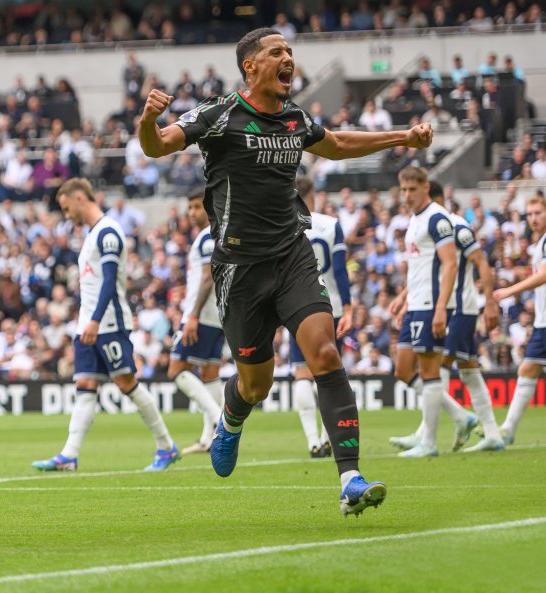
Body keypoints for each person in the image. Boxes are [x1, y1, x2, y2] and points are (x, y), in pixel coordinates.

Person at [137, 28, 432, 516]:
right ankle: (231, 419)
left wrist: (403, 137)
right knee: (256, 384)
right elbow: (157, 146)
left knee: (325, 354)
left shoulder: (295, 118)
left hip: (293, 256)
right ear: (250, 66)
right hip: (239, 270)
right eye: (277, 52)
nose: (288, 58)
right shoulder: (219, 115)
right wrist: (148, 119)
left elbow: (334, 144)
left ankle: (350, 479)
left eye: (290, 52)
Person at [32, 178, 179, 472]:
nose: (66, 215)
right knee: (85, 384)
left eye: (66, 208)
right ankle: (69, 455)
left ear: (79, 199)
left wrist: (96, 321)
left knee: (126, 383)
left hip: (107, 323)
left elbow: (111, 281)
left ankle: (166, 447)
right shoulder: (92, 234)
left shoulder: (108, 231)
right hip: (87, 324)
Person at [389, 181, 504, 454]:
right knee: (469, 371)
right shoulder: (425, 224)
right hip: (449, 306)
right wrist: (406, 297)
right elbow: (431, 268)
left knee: (436, 367)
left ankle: (428, 435)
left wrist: (489, 303)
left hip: (459, 308)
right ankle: (491, 433)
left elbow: (480, 262)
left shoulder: (455, 225)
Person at [386, 168, 459, 458]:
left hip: (432, 305)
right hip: (415, 304)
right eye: (403, 190)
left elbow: (450, 264)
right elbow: (419, 267)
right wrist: (404, 300)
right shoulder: (414, 220)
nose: (406, 195)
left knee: (429, 372)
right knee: (403, 369)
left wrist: (441, 307)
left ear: (426, 187)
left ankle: (428, 442)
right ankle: (459, 415)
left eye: (412, 189)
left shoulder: (437, 218)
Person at [290, 176, 352, 458]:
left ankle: (313, 441)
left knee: (302, 372)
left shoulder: (285, 223)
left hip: (297, 305)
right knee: (330, 373)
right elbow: (340, 270)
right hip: (332, 306)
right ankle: (329, 438)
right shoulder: (330, 224)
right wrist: (349, 308)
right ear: (312, 195)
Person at [168, 189, 226, 455]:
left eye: (196, 207)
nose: (191, 213)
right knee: (210, 375)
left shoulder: (206, 238)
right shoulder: (220, 235)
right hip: (219, 315)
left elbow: (207, 278)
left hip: (200, 315)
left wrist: (192, 315)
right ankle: (207, 439)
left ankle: (217, 419)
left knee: (177, 370)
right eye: (189, 208)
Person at [489, 194, 546, 444]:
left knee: (527, 369)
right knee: (528, 368)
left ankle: (508, 429)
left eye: (538, 213)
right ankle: (508, 429)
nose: (533, 218)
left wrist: (510, 290)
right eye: (530, 214)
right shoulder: (540, 243)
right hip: (543, 322)